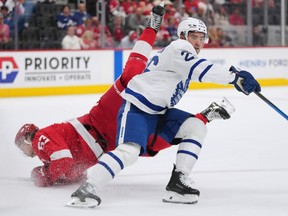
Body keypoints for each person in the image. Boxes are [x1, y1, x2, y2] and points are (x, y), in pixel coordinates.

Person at [15, 3, 232, 188]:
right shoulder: (48, 153)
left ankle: (152, 26)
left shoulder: (40, 138)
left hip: (100, 120)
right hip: (109, 136)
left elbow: (61, 164)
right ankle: (205, 116)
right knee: (151, 139)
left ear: (27, 137)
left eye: (21, 145)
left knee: (131, 75)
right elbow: (72, 171)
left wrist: (40, 175)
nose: (24, 151)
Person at [67, 7, 261, 208]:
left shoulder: (184, 55)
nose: (198, 42)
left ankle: (178, 183)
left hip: (158, 113)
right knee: (129, 152)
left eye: (202, 38)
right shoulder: (179, 47)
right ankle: (87, 189)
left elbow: (199, 68)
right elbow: (201, 70)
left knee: (195, 127)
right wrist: (234, 78)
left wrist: (235, 74)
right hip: (137, 109)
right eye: (194, 36)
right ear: (183, 36)